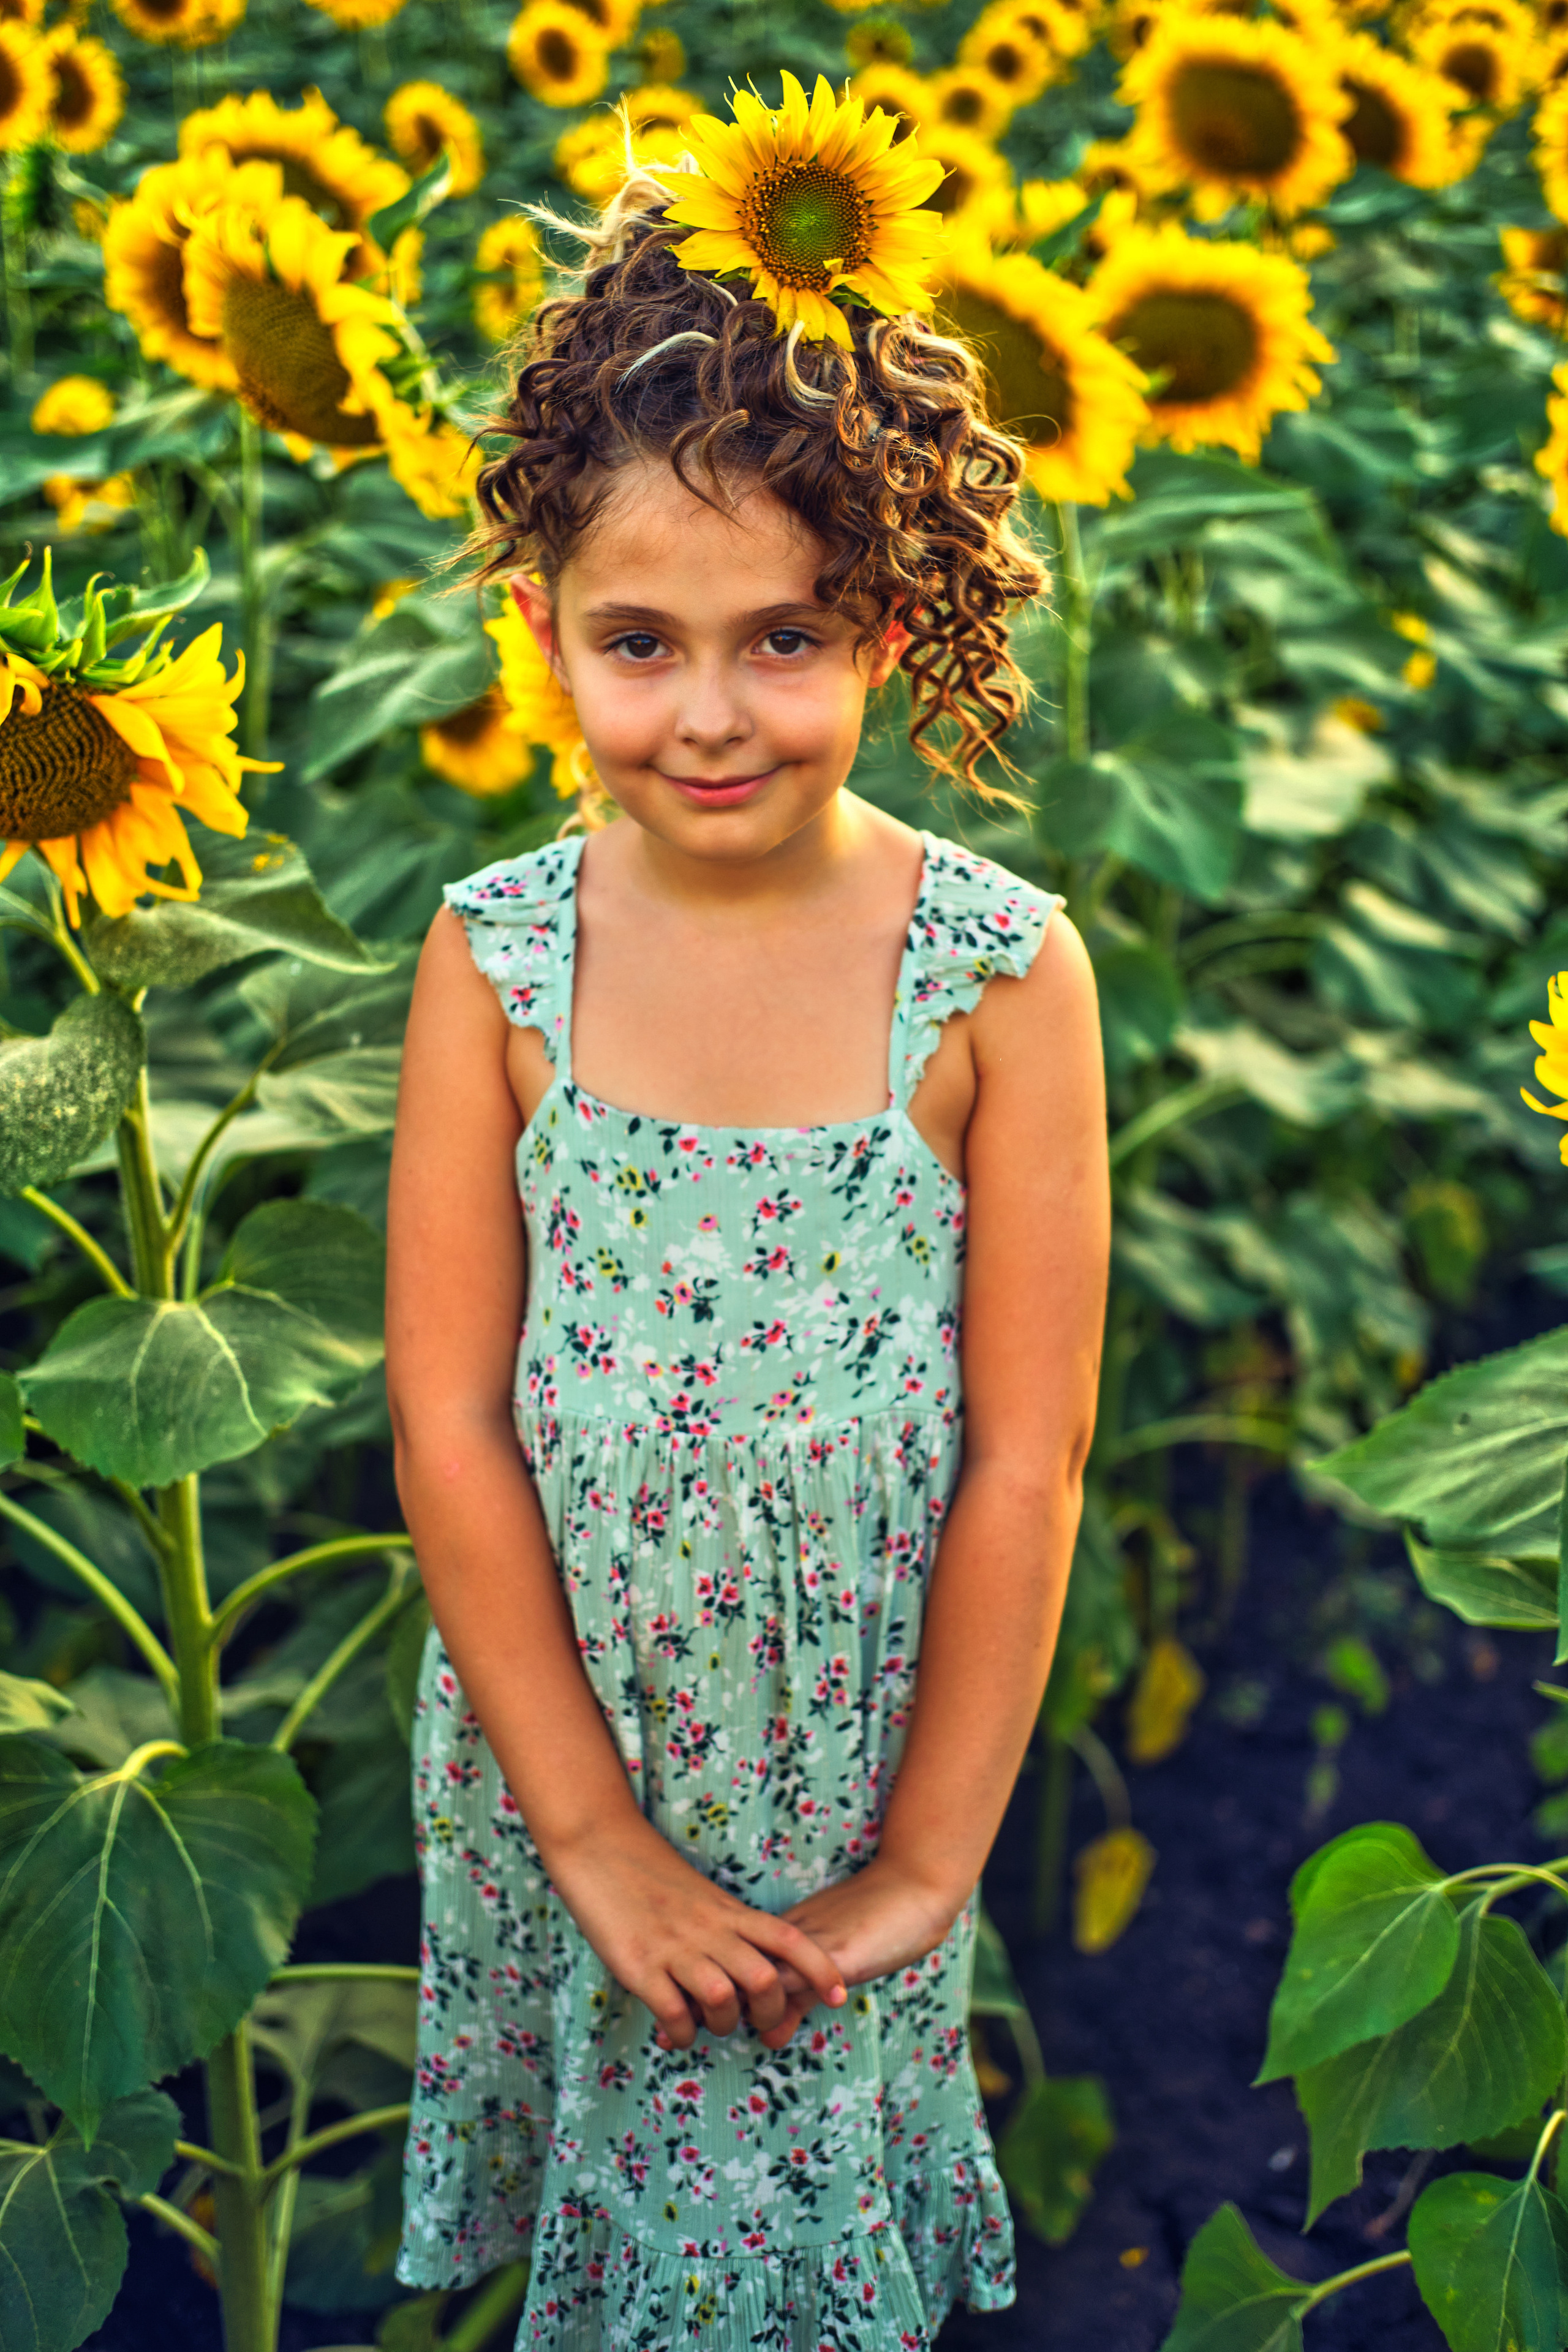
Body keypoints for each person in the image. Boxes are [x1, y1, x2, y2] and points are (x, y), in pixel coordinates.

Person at [387, 78, 1109, 2349]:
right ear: (544, 625)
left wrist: (930, 1858)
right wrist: (592, 1838)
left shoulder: (998, 973)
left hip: (852, 1756)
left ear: (890, 621)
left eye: (785, 640)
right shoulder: (499, 956)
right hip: (562, 1738)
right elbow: (448, 1423)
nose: (710, 715)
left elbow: (1029, 1455)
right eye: (641, 643)